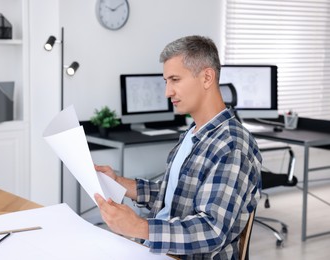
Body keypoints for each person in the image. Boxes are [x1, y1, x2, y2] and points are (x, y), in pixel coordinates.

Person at [94, 35, 262, 259]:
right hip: (157, 249)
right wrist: (119, 183)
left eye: (175, 79)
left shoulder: (232, 146)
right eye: (166, 81)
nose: (167, 92)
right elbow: (175, 196)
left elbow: (212, 230)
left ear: (206, 77)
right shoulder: (193, 134)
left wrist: (139, 227)